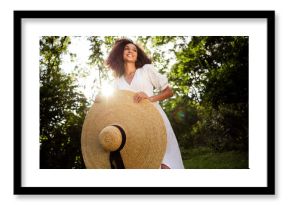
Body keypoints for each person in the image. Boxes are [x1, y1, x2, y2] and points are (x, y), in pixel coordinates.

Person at [97, 38, 184, 169]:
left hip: (156, 121)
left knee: (167, 163)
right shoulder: (116, 82)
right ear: (120, 53)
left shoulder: (146, 70)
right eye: (127, 48)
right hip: (134, 129)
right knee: (149, 165)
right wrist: (100, 99)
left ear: (137, 55)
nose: (130, 51)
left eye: (134, 50)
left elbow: (169, 92)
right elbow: (111, 102)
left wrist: (149, 99)